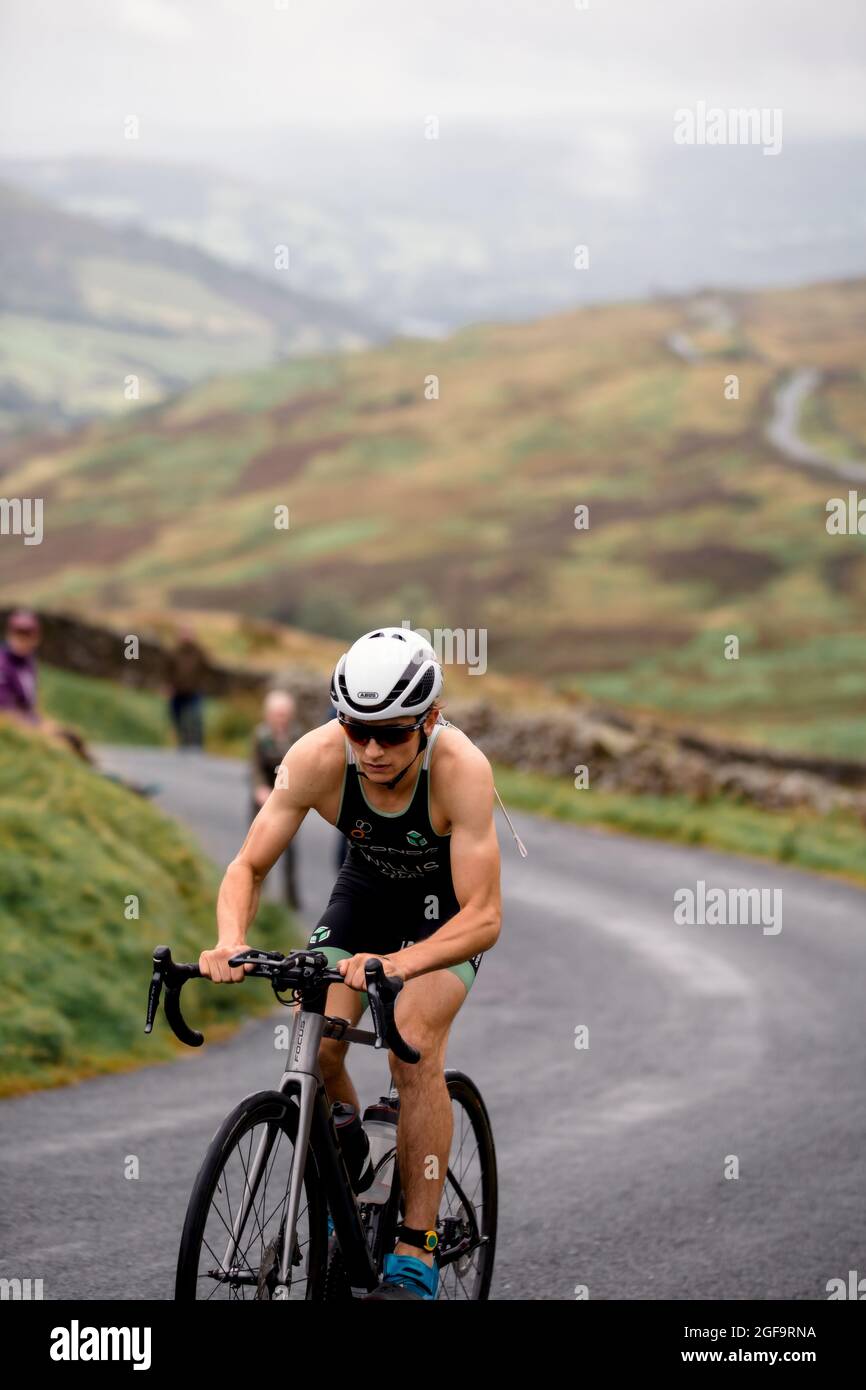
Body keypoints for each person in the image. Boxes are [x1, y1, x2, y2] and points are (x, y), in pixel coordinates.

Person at [199, 626, 502, 1300]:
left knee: (412, 1042)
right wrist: (228, 939)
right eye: (356, 728)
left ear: (430, 719)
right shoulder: (314, 758)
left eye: (392, 733)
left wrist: (399, 965)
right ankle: (344, 1138)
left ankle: (414, 1253)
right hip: (365, 891)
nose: (371, 749)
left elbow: (484, 915)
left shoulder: (461, 770)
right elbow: (247, 864)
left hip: (445, 911)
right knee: (319, 1041)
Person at [250, 689, 303, 911]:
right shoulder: (261, 735)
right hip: (264, 798)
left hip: (287, 797)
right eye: (276, 714)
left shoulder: (296, 735)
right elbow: (255, 767)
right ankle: (259, 896)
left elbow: (302, 765)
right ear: (268, 715)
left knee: (289, 847)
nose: (280, 718)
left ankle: (291, 898)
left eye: (284, 714)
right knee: (258, 846)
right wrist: (259, 788)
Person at [164, 627, 207, 749]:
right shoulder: (174, 652)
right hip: (177, 691)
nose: (186, 637)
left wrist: (201, 685)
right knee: (177, 718)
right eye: (184, 634)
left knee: (195, 719)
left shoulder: (199, 652)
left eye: (189, 634)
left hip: (194, 691)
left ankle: (198, 746)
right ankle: (182, 743)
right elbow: (167, 670)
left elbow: (206, 671)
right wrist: (168, 686)